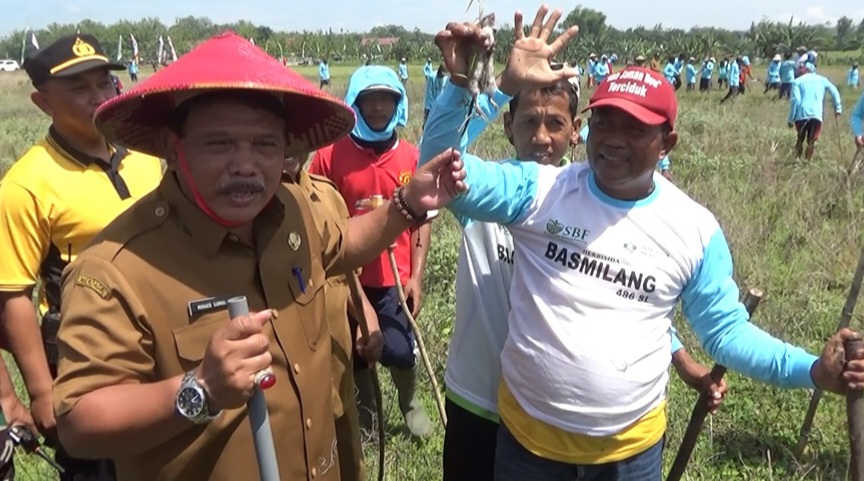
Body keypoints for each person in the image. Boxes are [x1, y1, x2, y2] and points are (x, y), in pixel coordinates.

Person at [423, 7, 864, 480]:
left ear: (667, 142)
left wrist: (812, 370)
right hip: (528, 447)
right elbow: (436, 171)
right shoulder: (538, 190)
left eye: (633, 128)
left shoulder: (693, 229)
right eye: (605, 122)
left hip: (629, 457)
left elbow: (726, 334)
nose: (612, 139)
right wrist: (492, 86)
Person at [52, 31, 466, 481]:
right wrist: (201, 387)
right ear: (173, 148)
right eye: (220, 144)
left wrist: (408, 203)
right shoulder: (117, 269)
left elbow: (341, 245)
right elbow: (79, 422)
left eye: (265, 145)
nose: (245, 165)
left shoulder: (292, 209)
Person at [439, 73, 724, 481]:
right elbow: (437, 158)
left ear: (576, 131)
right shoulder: (483, 189)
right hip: (479, 395)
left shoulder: (595, 199)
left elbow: (631, 299)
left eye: (555, 124)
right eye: (527, 122)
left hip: (558, 421)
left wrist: (684, 363)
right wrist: (497, 85)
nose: (541, 137)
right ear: (506, 125)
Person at [0, 33, 163, 481]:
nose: (98, 97)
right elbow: (13, 295)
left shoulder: (146, 155)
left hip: (162, 340)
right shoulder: (26, 184)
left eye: (103, 83)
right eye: (79, 88)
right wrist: (38, 392)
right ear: (42, 102)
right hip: (85, 359)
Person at [309, 65, 435, 438]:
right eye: (370, 100)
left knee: (398, 348)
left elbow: (423, 219)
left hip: (393, 278)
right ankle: (366, 416)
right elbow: (320, 218)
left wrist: (415, 276)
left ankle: (410, 403)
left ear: (398, 104)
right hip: (347, 278)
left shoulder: (413, 157)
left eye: (387, 99)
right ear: (355, 103)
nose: (379, 108)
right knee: (358, 349)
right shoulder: (330, 157)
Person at [282, 155, 384, 481]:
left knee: (349, 462)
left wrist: (367, 315)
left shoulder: (328, 197)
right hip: (289, 391)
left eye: (298, 136)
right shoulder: (250, 210)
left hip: (336, 370)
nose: (290, 147)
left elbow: (346, 276)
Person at [788, 62, 842, 160]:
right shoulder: (822, 80)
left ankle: (797, 160)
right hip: (816, 114)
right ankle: (807, 162)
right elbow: (834, 91)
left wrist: (791, 119)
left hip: (801, 114)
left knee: (800, 139)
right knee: (811, 141)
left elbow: (795, 100)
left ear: (804, 70)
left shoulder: (797, 81)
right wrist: (838, 107)